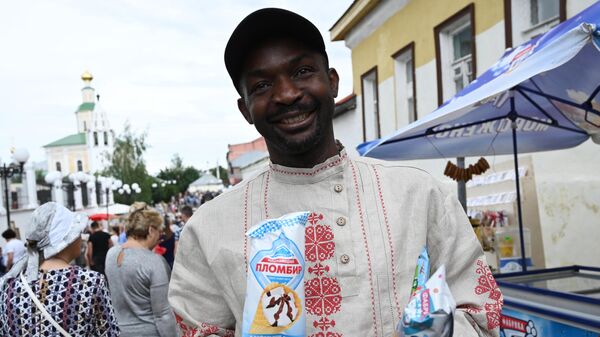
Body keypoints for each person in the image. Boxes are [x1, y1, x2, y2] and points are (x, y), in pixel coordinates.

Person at [169, 8, 503, 337]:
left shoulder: (420, 195)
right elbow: (198, 329)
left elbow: (480, 314)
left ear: (331, 82)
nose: (286, 94)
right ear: (245, 109)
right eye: (262, 86)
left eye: (301, 71)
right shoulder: (209, 228)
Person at [0, 202, 120, 336]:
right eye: (77, 232)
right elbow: (109, 333)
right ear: (66, 238)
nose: (81, 237)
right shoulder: (90, 282)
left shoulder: (8, 286)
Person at [105, 202, 177, 337]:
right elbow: (163, 315)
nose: (160, 237)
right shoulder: (154, 262)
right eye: (159, 231)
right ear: (150, 230)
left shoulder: (111, 255)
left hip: (119, 331)